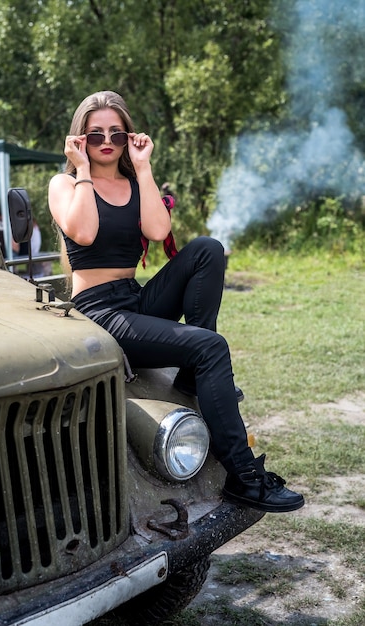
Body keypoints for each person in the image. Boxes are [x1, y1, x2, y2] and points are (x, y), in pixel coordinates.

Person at [48, 90, 304, 513]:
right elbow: (85, 233)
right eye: (95, 135)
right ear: (80, 139)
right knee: (210, 346)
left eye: (117, 132)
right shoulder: (65, 184)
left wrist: (144, 168)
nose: (107, 141)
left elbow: (156, 227)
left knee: (207, 248)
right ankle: (245, 477)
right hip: (98, 312)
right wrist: (82, 171)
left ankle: (189, 376)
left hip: (133, 299)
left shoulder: (133, 183)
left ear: (130, 137)